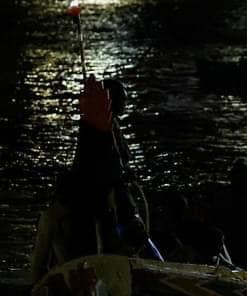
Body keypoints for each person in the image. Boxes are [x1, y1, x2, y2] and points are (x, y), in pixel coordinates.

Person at [30, 75, 159, 283]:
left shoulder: (108, 129)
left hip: (102, 199)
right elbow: (103, 168)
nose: (124, 104)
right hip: (97, 202)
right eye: (121, 100)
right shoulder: (97, 131)